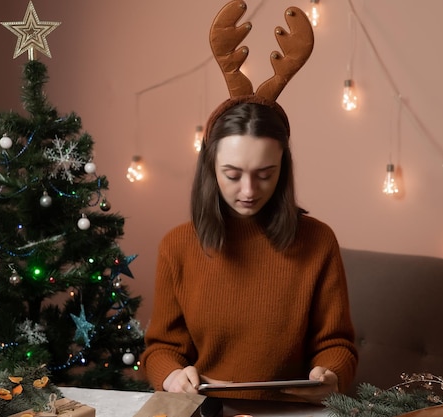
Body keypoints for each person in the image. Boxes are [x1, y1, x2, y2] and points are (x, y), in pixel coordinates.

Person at [141, 0, 358, 405]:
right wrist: (171, 376)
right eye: (232, 174)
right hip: (207, 410)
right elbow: (161, 349)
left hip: (292, 412)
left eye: (265, 174)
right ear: (210, 168)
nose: (248, 190)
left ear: (283, 168)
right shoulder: (177, 246)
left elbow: (337, 344)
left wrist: (331, 373)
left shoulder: (318, 241)